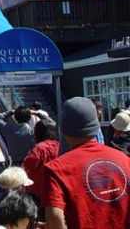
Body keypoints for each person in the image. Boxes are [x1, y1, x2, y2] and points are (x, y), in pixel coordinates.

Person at [43, 97, 130, 228]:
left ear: (64, 130)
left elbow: (55, 216)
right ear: (96, 126)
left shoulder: (56, 169)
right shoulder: (124, 159)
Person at [22, 120, 59, 221]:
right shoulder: (58, 146)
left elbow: (28, 164)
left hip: (38, 191)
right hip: (55, 190)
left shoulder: (39, 148)